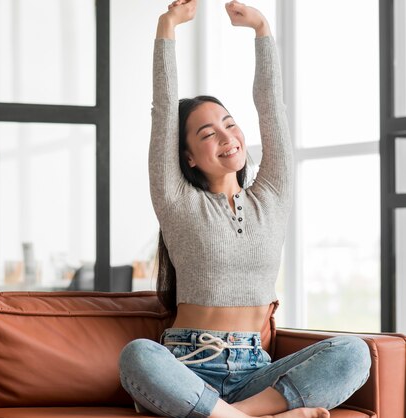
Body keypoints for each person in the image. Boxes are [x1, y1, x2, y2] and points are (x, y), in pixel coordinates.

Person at [118, 1, 371, 417]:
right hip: (187, 366)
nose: (226, 136)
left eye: (229, 123)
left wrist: (262, 32)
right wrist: (167, 28)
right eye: (207, 134)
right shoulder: (178, 202)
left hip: (256, 372)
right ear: (189, 157)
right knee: (138, 355)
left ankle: (231, 415)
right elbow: (164, 112)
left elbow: (274, 111)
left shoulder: (272, 194)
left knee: (353, 353)